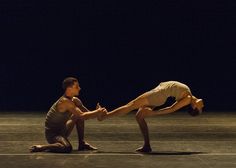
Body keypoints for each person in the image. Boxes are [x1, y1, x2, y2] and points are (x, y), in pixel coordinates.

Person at [98, 81, 204, 153]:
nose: (202, 105)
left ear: (194, 106)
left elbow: (171, 109)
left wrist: (153, 113)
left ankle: (105, 116)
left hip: (157, 95)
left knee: (130, 105)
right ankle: (147, 146)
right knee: (139, 116)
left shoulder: (188, 99)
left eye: (200, 108)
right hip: (158, 94)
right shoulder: (188, 95)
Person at [30, 77, 107, 153]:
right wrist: (97, 112)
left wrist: (98, 112)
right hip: (53, 135)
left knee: (77, 116)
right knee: (67, 147)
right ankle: (42, 147)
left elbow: (87, 114)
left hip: (63, 129)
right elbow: (83, 115)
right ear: (69, 89)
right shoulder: (64, 102)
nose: (79, 88)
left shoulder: (75, 100)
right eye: (77, 87)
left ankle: (82, 143)